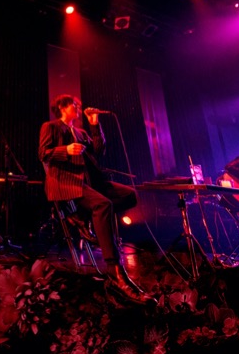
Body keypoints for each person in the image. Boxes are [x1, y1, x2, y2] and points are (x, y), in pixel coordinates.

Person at [38, 93, 154, 305]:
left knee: (129, 195)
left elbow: (99, 150)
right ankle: (115, 270)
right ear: (62, 107)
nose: (78, 108)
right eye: (74, 105)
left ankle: (83, 216)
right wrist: (65, 150)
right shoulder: (51, 127)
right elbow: (43, 153)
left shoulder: (81, 132)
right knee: (103, 204)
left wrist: (94, 125)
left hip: (91, 182)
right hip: (66, 182)